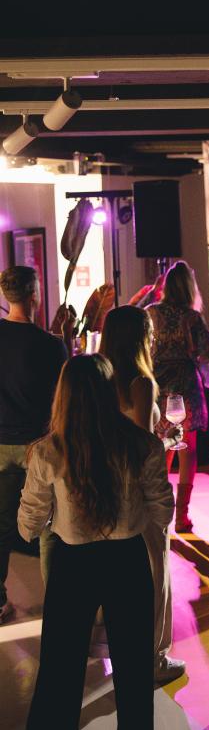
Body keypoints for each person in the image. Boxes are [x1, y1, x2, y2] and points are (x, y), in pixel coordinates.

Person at [17, 354, 174, 730]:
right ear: (111, 394)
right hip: (126, 561)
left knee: (58, 680)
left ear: (62, 397)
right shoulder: (142, 444)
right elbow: (162, 510)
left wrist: (53, 518)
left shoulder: (48, 452)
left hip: (73, 564)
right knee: (134, 679)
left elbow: (28, 524)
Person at [100, 305, 186, 685]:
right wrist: (167, 439)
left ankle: (124, 652)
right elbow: (140, 447)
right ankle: (153, 659)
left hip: (109, 486)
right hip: (141, 490)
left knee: (122, 577)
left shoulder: (100, 379)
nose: (153, 340)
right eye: (149, 334)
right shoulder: (141, 382)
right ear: (139, 338)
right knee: (154, 573)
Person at [0, 266, 67, 622]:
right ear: (34, 295)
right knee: (48, 524)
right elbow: (63, 399)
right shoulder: (51, 345)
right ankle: (57, 603)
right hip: (37, 446)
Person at [147, 261, 209, 532]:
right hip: (186, 387)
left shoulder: (151, 312)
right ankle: (181, 517)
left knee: (162, 449)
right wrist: (191, 354)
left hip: (158, 388)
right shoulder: (191, 317)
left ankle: (160, 513)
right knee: (188, 449)